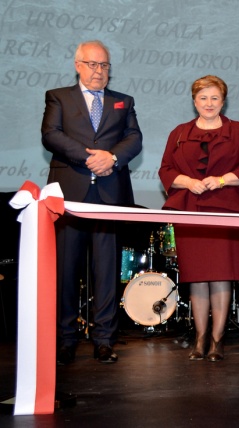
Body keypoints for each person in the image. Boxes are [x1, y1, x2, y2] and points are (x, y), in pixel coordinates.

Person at [42, 40, 143, 364]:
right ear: (78, 65)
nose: (99, 71)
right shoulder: (58, 97)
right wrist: (90, 158)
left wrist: (111, 157)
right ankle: (65, 339)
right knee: (66, 269)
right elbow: (51, 134)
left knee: (107, 270)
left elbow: (134, 138)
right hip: (70, 195)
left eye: (104, 65)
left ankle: (104, 339)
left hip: (110, 195)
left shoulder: (123, 101)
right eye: (93, 64)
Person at [159, 75, 239, 362]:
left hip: (226, 210)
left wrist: (222, 179)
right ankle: (200, 338)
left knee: (221, 275)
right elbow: (166, 169)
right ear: (194, 101)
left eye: (215, 98)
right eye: (203, 98)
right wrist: (188, 182)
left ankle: (217, 339)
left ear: (223, 101)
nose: (209, 103)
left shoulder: (238, 130)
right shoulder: (179, 133)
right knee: (197, 276)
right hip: (190, 210)